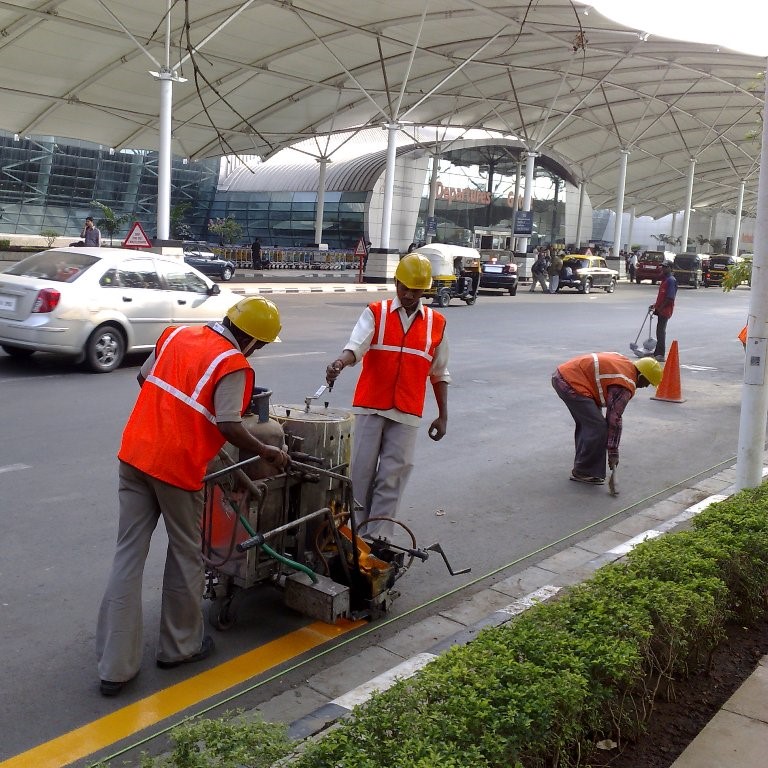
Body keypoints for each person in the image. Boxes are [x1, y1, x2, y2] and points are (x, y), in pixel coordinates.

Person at [96, 297, 290, 696]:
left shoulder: (177, 334)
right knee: (186, 552)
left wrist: (171, 416)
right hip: (177, 469)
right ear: (252, 339)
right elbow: (230, 424)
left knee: (128, 553)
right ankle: (179, 647)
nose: (260, 351)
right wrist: (267, 451)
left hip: (135, 454)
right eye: (263, 345)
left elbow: (144, 380)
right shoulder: (233, 363)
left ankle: (114, 667)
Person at [324, 252, 449, 540]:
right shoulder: (376, 312)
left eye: (415, 290)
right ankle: (353, 535)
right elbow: (356, 346)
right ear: (396, 282)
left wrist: (443, 416)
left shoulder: (437, 323)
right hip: (371, 406)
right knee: (360, 474)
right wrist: (340, 363)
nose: (407, 294)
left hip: (407, 411)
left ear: (424, 290)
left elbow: (440, 373)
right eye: (403, 287)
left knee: (392, 478)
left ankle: (378, 539)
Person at [552, 353, 662, 485]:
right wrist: (613, 452)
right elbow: (614, 419)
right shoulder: (624, 384)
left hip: (566, 376)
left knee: (591, 424)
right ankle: (584, 471)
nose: (646, 386)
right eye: (648, 382)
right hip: (570, 382)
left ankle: (583, 467)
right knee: (598, 427)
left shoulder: (625, 365)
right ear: (642, 376)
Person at [649, 262, 677, 361]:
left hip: (665, 310)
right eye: (663, 267)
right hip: (661, 308)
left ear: (670, 268)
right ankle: (657, 352)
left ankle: (660, 354)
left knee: (661, 331)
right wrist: (655, 305)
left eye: (666, 267)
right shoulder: (665, 280)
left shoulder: (671, 280)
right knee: (659, 330)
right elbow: (662, 296)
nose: (663, 269)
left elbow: (670, 298)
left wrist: (660, 308)